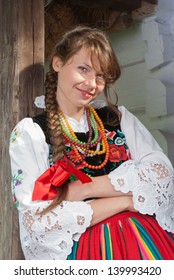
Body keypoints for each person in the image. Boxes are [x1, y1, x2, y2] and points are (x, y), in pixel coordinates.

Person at [9, 26, 174, 260]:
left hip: (144, 243)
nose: (91, 83)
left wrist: (85, 188)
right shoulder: (30, 133)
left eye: (101, 75)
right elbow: (37, 220)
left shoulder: (119, 119)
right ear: (57, 63)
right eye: (83, 69)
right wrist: (126, 201)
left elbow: (162, 176)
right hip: (85, 253)